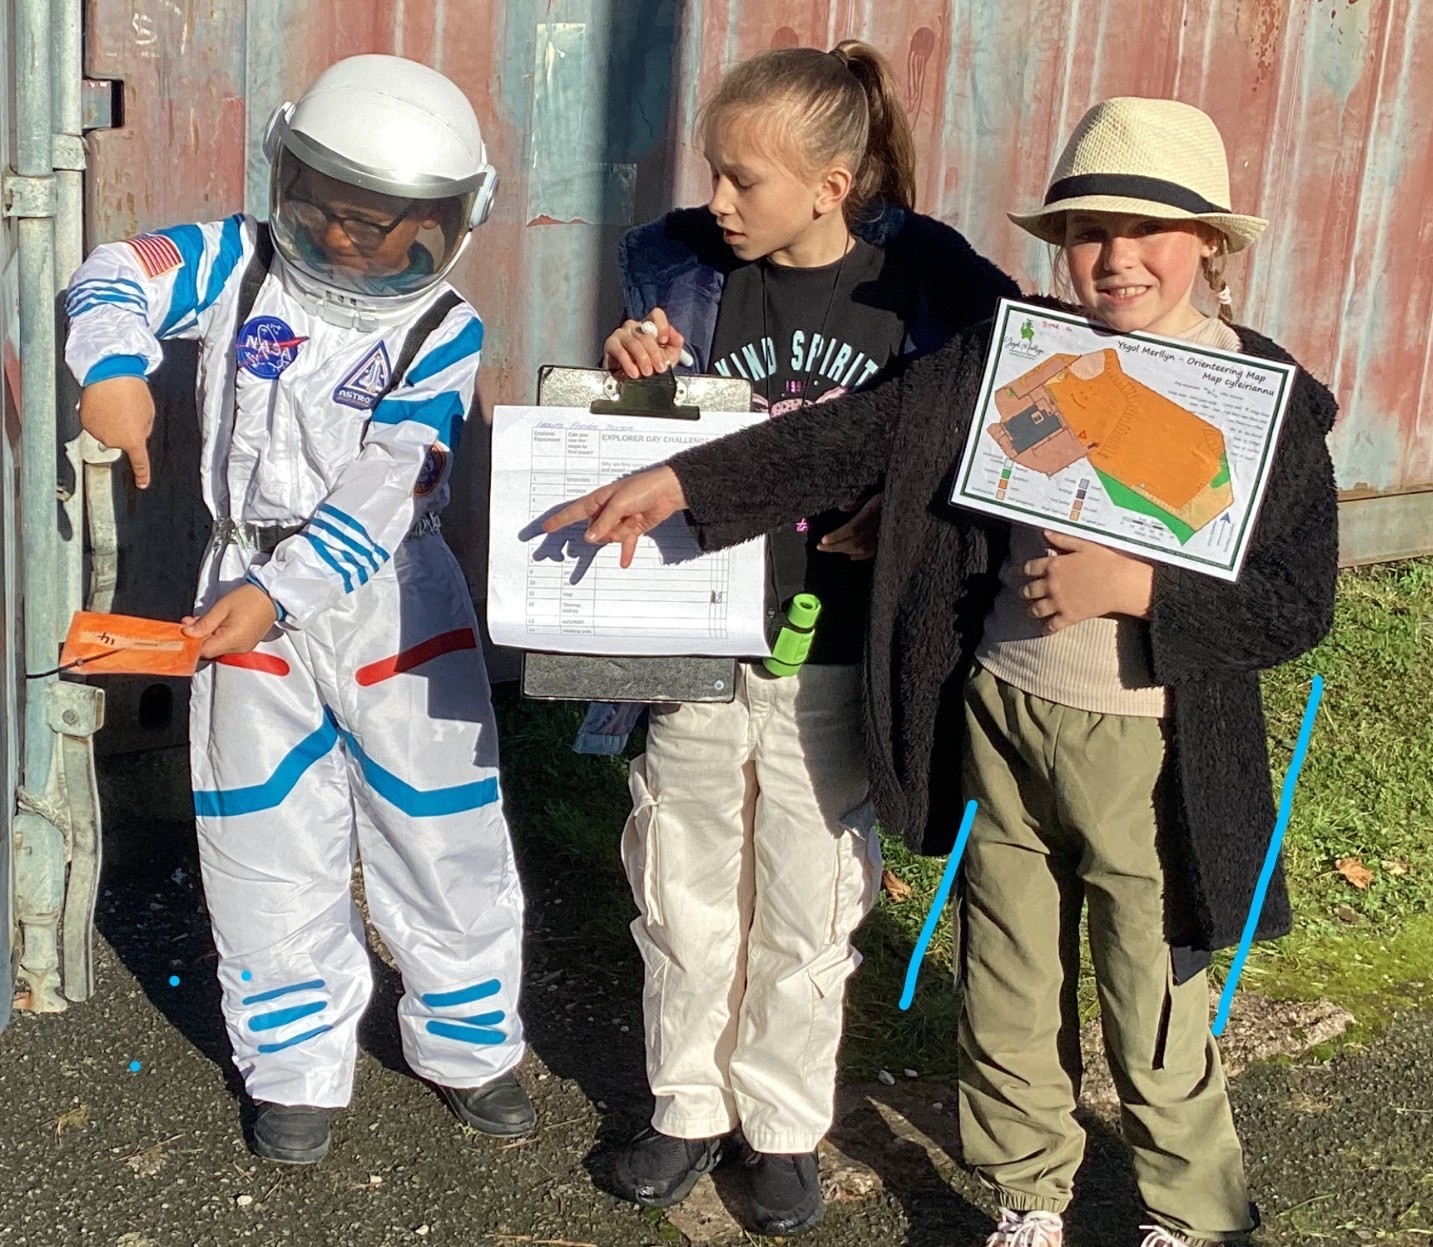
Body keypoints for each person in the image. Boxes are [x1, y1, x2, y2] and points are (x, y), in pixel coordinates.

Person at [546, 98, 1339, 1247]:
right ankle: (1030, 1189)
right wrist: (683, 487)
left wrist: (1138, 589)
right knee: (1007, 982)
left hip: (1152, 744)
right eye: (1086, 233)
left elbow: (1289, 600)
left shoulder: (1262, 402)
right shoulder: (1020, 353)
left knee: (1150, 997)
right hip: (1005, 717)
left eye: (1144, 232)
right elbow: (853, 435)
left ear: (1210, 244)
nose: (1113, 258)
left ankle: (1192, 1210)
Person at [65, 54, 535, 1163]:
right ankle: (295, 1067)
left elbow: (393, 480)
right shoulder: (236, 261)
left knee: (440, 833)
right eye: (329, 209)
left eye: (388, 227)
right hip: (239, 582)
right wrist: (116, 366)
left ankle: (470, 1046)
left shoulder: (442, 329)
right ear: (291, 176)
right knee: (261, 835)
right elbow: (116, 268)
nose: (350, 243)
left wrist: (281, 594)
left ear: (448, 220)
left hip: (389, 599)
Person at [580, 40, 1015, 1236]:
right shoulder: (682, 275)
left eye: (746, 182)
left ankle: (780, 1125)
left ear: (830, 181)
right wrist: (633, 371)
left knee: (810, 901)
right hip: (700, 638)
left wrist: (919, 501)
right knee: (680, 881)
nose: (718, 202)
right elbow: (644, 441)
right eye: (713, 174)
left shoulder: (926, 294)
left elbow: (1001, 423)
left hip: (840, 656)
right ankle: (683, 1103)